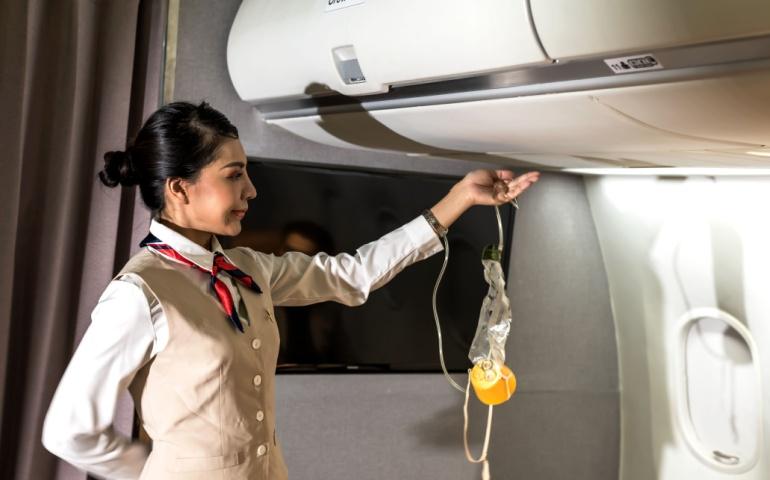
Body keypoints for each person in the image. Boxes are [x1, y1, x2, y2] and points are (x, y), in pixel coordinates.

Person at [40, 100, 539, 479]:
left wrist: (457, 199)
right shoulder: (139, 292)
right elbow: (69, 430)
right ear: (179, 188)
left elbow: (353, 274)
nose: (251, 191)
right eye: (234, 176)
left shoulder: (247, 268)